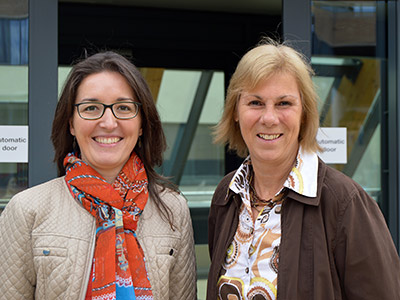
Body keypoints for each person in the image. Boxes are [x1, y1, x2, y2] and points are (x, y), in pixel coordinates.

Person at [207, 39, 400, 300]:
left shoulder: (344, 203)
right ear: (236, 112)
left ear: (305, 114)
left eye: (284, 103)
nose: (269, 118)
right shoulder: (227, 195)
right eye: (255, 103)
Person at [0, 51, 197, 299]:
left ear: (142, 124)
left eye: (123, 108)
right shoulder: (27, 210)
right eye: (91, 108)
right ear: (71, 123)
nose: (108, 122)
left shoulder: (173, 210)